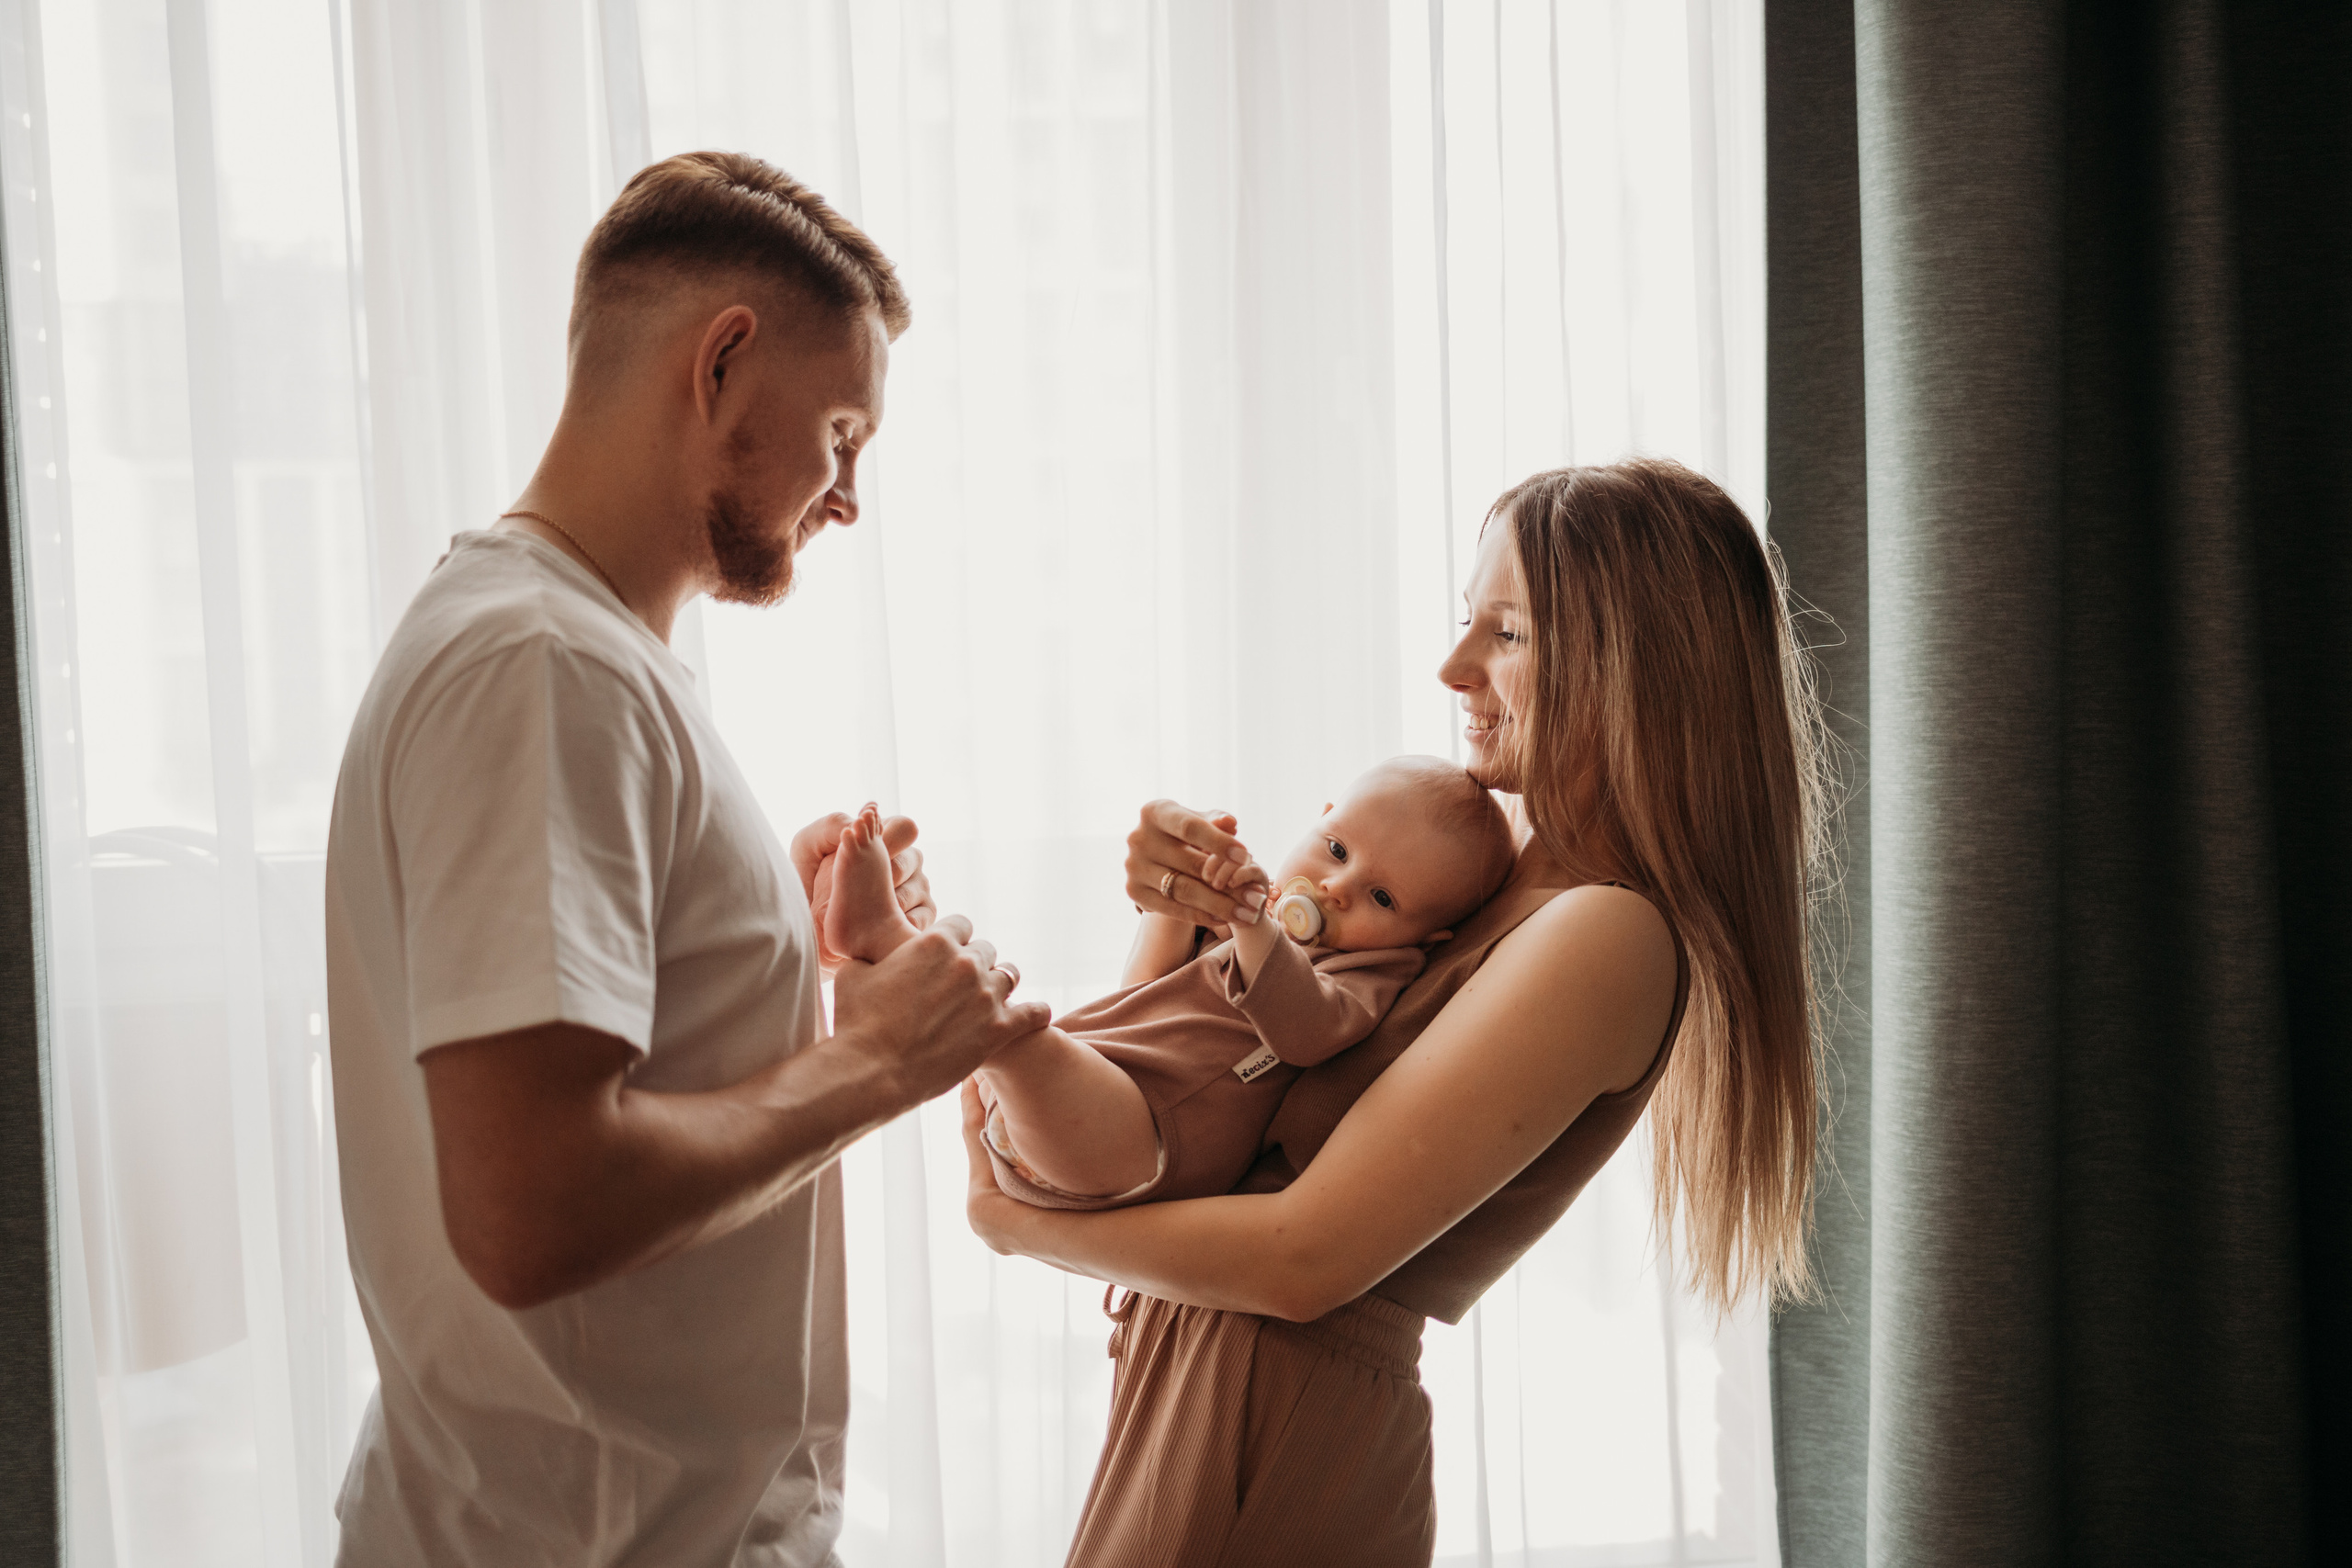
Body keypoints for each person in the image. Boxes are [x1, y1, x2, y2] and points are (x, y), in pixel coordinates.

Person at [324, 152, 1046, 1568]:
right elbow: (532, 1208)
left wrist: (757, 931)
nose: (848, 497)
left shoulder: (552, 644)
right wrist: (881, 1058)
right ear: (721, 362)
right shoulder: (544, 664)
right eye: (843, 432)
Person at [963, 457, 1827, 1567]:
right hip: (1208, 1379)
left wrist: (1020, 1228)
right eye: (1468, 622)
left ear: (1636, 670)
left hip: (1276, 1419)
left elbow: (1302, 1259)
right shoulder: (1476, 886)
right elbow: (1206, 1091)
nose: (1452, 667)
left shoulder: (1605, 935)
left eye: (1505, 635)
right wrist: (1175, 913)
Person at [824, 759, 1513, 1207]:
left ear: (1428, 939)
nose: (1336, 888)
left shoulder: (1376, 971)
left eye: (1382, 898)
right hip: (1087, 1084)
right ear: (1321, 817)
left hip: (1148, 1141)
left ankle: (894, 943)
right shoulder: (1251, 917)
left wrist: (1250, 924)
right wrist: (1182, 901)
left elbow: (1306, 1031)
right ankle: (895, 942)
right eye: (1335, 848)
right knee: (997, 1018)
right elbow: (1140, 990)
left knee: (1004, 1028)